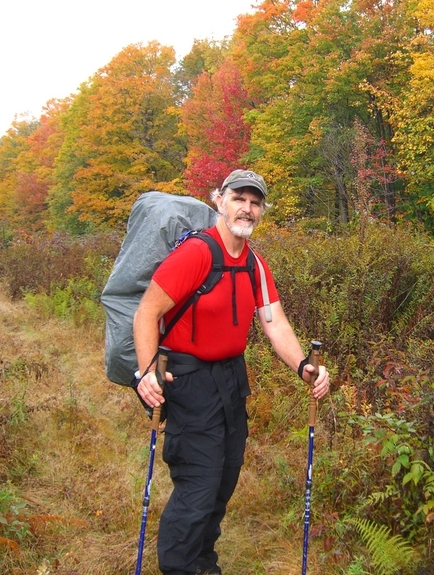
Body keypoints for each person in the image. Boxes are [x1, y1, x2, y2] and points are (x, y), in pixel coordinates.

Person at [133, 169, 331, 575]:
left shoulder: (255, 264)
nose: (248, 208)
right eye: (239, 198)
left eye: (255, 202)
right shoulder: (197, 253)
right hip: (188, 381)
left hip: (231, 380)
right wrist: (146, 373)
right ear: (218, 200)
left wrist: (302, 367)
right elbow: (146, 312)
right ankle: (181, 567)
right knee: (198, 486)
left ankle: (204, 564)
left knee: (224, 480)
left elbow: (274, 321)